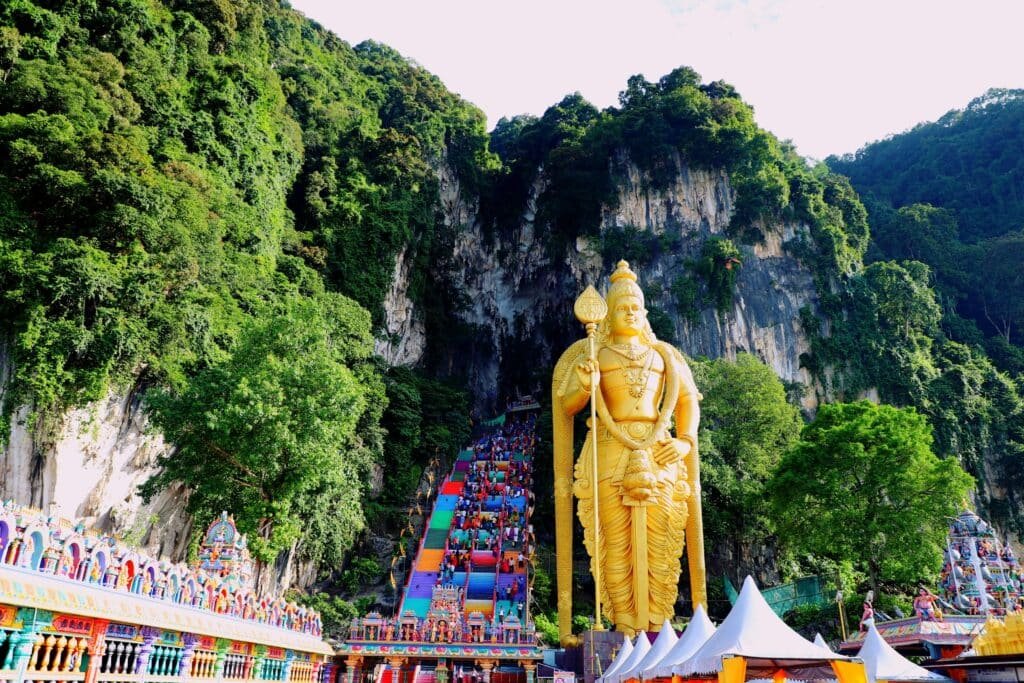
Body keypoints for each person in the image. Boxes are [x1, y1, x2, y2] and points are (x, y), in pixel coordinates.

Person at [552, 260, 705, 640]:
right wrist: (586, 383)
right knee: (614, 542)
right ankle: (622, 625)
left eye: (636, 307)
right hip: (608, 447)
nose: (631, 312)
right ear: (608, 314)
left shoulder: (665, 355)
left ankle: (657, 623)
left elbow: (688, 401)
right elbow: (568, 403)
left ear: (645, 312)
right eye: (622, 307)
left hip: (659, 450)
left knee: (662, 537)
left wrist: (684, 440)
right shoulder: (595, 354)